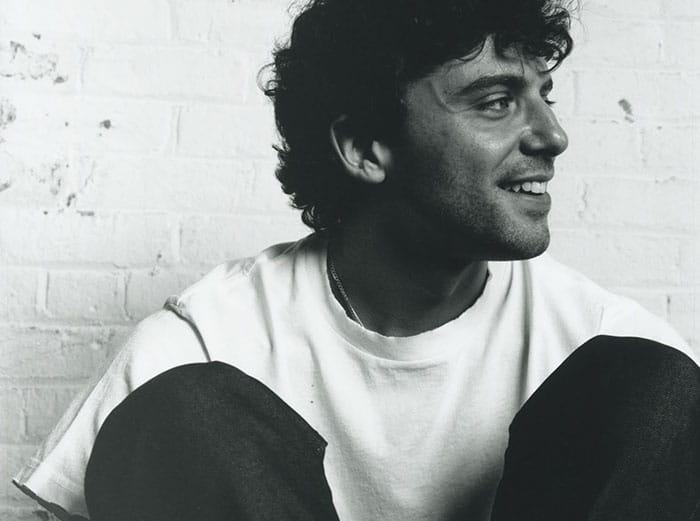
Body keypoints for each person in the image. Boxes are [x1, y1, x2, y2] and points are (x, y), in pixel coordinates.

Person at [13, 0, 700, 520]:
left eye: (542, 97)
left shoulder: (597, 341)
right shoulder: (209, 337)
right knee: (189, 411)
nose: (553, 135)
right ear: (366, 149)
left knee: (656, 390)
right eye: (496, 103)